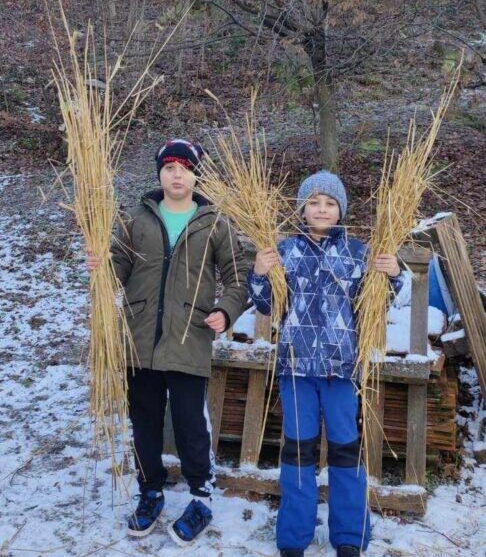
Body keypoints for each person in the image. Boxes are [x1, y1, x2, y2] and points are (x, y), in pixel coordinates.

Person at [87, 138, 248, 546]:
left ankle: (201, 497)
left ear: (197, 175)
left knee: (191, 424)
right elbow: (117, 269)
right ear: (159, 173)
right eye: (170, 168)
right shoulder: (137, 218)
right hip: (139, 340)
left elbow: (238, 276)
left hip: (188, 339)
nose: (177, 175)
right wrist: (100, 267)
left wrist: (226, 311)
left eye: (185, 168)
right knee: (144, 422)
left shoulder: (214, 221)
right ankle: (150, 491)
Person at [247, 170, 404, 557]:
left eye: (330, 203)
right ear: (302, 208)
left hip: (341, 369)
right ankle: (293, 537)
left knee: (346, 450)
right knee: (297, 451)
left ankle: (349, 535)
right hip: (296, 368)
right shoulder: (285, 251)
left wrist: (394, 276)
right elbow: (268, 305)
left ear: (340, 210)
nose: (321, 209)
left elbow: (374, 306)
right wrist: (259, 273)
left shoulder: (358, 252)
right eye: (314, 202)